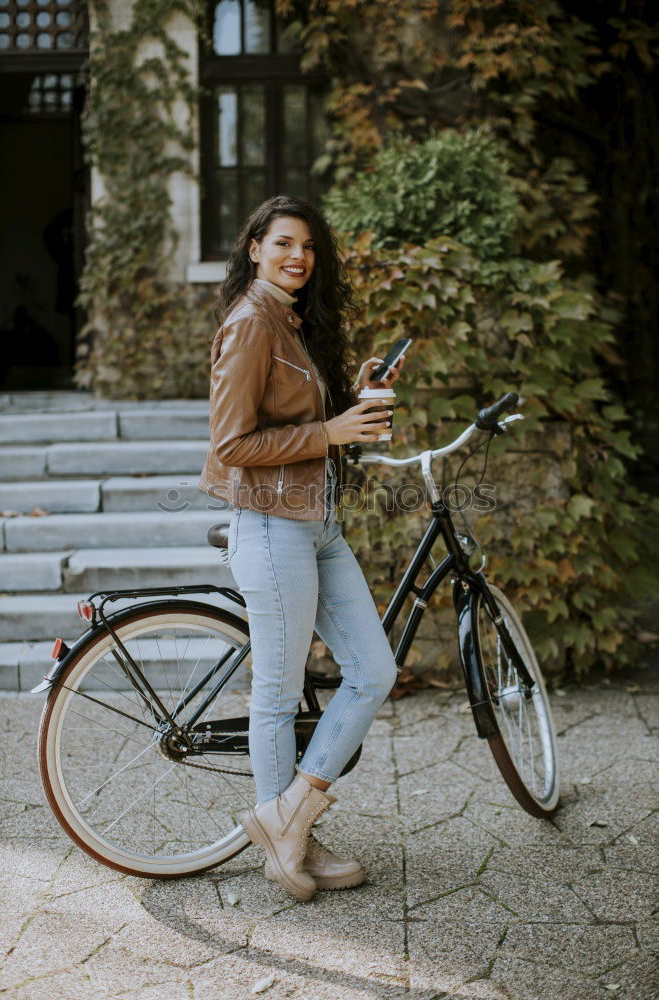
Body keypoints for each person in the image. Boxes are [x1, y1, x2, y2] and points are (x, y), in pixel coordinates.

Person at [198, 195, 406, 902]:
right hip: (268, 522)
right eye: (284, 243)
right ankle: (292, 839)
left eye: (309, 247)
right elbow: (231, 445)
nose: (299, 257)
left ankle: (288, 815)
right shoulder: (250, 322)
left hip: (315, 522)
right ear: (254, 246)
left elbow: (300, 414)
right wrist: (331, 434)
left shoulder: (289, 320)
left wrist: (355, 395)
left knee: (372, 671)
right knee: (280, 696)